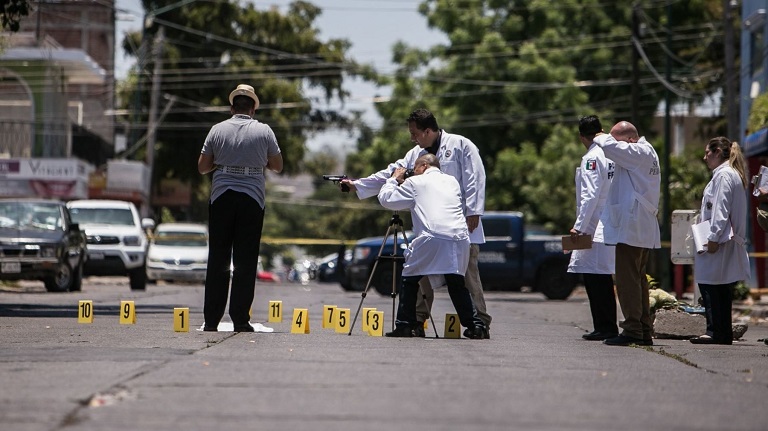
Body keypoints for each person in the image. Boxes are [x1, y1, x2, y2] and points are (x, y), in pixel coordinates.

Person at [341, 108, 491, 338]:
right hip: (433, 226)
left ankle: (480, 321)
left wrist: (474, 211)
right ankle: (417, 322)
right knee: (426, 279)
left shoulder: (460, 145)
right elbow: (392, 172)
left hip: (463, 222)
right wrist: (358, 184)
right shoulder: (416, 154)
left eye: (414, 133)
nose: (412, 138)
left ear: (428, 130)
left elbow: (475, 178)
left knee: (466, 276)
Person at [197, 84, 283, 332]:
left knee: (218, 258)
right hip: (252, 198)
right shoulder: (264, 131)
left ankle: (211, 319)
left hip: (222, 195)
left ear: (232, 107)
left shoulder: (217, 130)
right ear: (254, 108)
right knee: (245, 260)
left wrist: (222, 164)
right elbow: (277, 165)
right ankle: (240, 319)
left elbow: (203, 167)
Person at [377, 154, 486, 339]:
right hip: (460, 238)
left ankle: (404, 324)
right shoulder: (451, 182)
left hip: (433, 236)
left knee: (409, 278)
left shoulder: (415, 183)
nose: (414, 172)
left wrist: (394, 180)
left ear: (424, 166)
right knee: (457, 283)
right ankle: (476, 326)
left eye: (415, 168)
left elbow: (386, 199)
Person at [593, 121, 660, 346]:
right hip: (638, 224)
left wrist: (600, 136)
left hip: (633, 225)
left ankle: (632, 329)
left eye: (617, 139)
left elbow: (612, 149)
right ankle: (642, 328)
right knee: (637, 278)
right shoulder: (643, 153)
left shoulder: (640, 151)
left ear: (630, 139)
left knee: (627, 279)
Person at [690, 137, 750, 345]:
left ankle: (715, 331)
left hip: (720, 239)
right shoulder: (729, 174)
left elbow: (720, 210)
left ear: (717, 152)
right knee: (721, 286)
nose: (705, 157)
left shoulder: (724, 175)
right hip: (725, 238)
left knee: (711, 285)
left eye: (708, 152)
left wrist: (713, 237)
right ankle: (722, 332)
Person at [568, 115, 617, 341]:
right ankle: (605, 326)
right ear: (602, 130)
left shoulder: (591, 159)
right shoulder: (611, 155)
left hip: (593, 226)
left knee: (595, 279)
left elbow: (589, 195)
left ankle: (605, 327)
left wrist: (578, 227)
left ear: (581, 137)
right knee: (602, 278)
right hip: (609, 225)